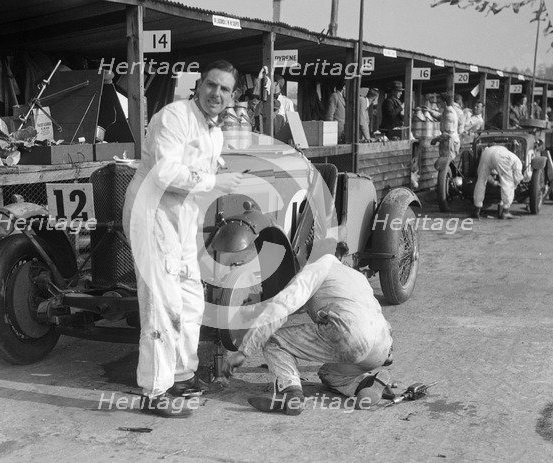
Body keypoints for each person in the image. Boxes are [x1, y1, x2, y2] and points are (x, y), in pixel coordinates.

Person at [122, 60, 244, 418]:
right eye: (210, 85)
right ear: (198, 86)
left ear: (232, 96)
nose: (216, 94)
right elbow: (165, 172)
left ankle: (180, 373)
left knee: (191, 300)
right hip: (151, 215)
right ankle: (154, 390)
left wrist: (215, 169)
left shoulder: (214, 132)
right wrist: (213, 182)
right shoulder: (172, 117)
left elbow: (200, 169)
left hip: (182, 221)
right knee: (162, 302)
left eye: (224, 89)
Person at [223, 240, 393, 415]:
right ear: (340, 255)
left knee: (274, 341)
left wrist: (245, 350)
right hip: (382, 346)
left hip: (352, 337)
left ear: (307, 257)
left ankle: (290, 393)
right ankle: (367, 384)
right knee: (330, 375)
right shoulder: (357, 277)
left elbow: (281, 307)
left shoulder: (316, 268)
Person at [472, 145, 523, 220]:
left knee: (481, 180)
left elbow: (489, 172)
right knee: (508, 183)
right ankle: (505, 212)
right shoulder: (517, 161)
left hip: (486, 153)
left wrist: (493, 181)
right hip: (500, 157)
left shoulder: (506, 152)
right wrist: (516, 184)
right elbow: (518, 177)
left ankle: (477, 209)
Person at [431, 92, 460, 161]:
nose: (439, 104)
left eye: (440, 102)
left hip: (450, 143)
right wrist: (430, 112)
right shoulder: (446, 111)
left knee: (446, 164)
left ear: (444, 102)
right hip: (447, 142)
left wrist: (435, 140)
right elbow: (440, 117)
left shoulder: (450, 114)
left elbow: (447, 134)